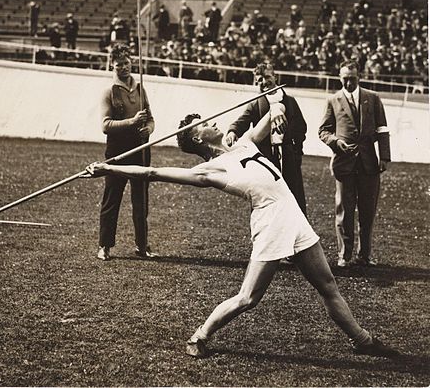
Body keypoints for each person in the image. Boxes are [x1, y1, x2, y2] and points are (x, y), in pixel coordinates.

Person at [86, 110, 399, 360]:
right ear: (198, 136)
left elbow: (270, 113)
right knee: (249, 297)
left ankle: (362, 340)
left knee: (327, 285)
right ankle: (199, 336)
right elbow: (152, 173)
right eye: (205, 123)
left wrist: (276, 109)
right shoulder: (210, 170)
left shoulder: (243, 143)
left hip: (293, 216)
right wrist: (110, 169)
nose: (214, 122)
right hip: (270, 222)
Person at [319, 60, 390, 268]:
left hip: (369, 165)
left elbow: (383, 129)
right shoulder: (333, 100)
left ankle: (364, 255)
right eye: (345, 79)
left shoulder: (373, 98)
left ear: (359, 77)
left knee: (368, 211)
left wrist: (384, 157)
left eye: (352, 78)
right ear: (340, 78)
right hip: (344, 165)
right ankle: (345, 256)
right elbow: (323, 131)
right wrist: (336, 142)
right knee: (344, 211)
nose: (349, 83)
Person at [95, 44, 157, 261]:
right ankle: (105, 246)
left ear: (132, 61)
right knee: (112, 199)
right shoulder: (109, 91)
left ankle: (142, 246)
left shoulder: (140, 87)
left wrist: (147, 129)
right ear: (112, 66)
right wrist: (131, 122)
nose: (123, 67)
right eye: (118, 64)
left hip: (140, 149)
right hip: (117, 151)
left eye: (126, 62)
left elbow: (150, 119)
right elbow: (105, 125)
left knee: (141, 200)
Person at [226, 63, 308, 215]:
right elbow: (240, 122)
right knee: (267, 195)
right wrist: (232, 131)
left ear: (275, 77)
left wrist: (297, 153)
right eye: (259, 80)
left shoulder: (290, 101)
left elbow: (301, 129)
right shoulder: (255, 104)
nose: (264, 82)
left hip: (288, 156)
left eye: (267, 77)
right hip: (265, 157)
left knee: (292, 195)